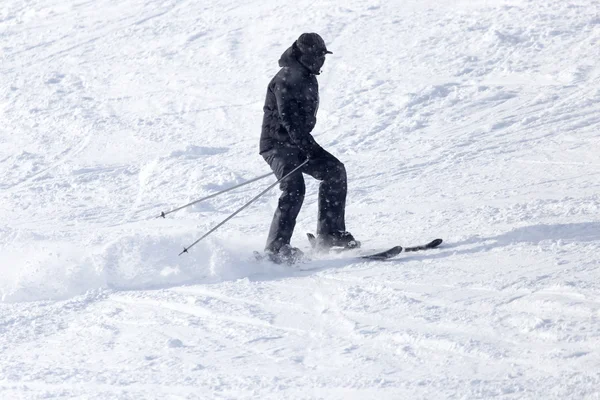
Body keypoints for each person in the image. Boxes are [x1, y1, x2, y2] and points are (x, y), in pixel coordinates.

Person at [259, 33, 359, 264]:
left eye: (323, 57)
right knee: (294, 188)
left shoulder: (306, 75)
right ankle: (276, 250)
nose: (321, 62)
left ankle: (330, 235)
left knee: (335, 171)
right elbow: (289, 121)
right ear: (303, 55)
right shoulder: (285, 79)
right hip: (276, 144)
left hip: (297, 141)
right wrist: (308, 148)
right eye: (317, 57)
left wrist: (306, 146)